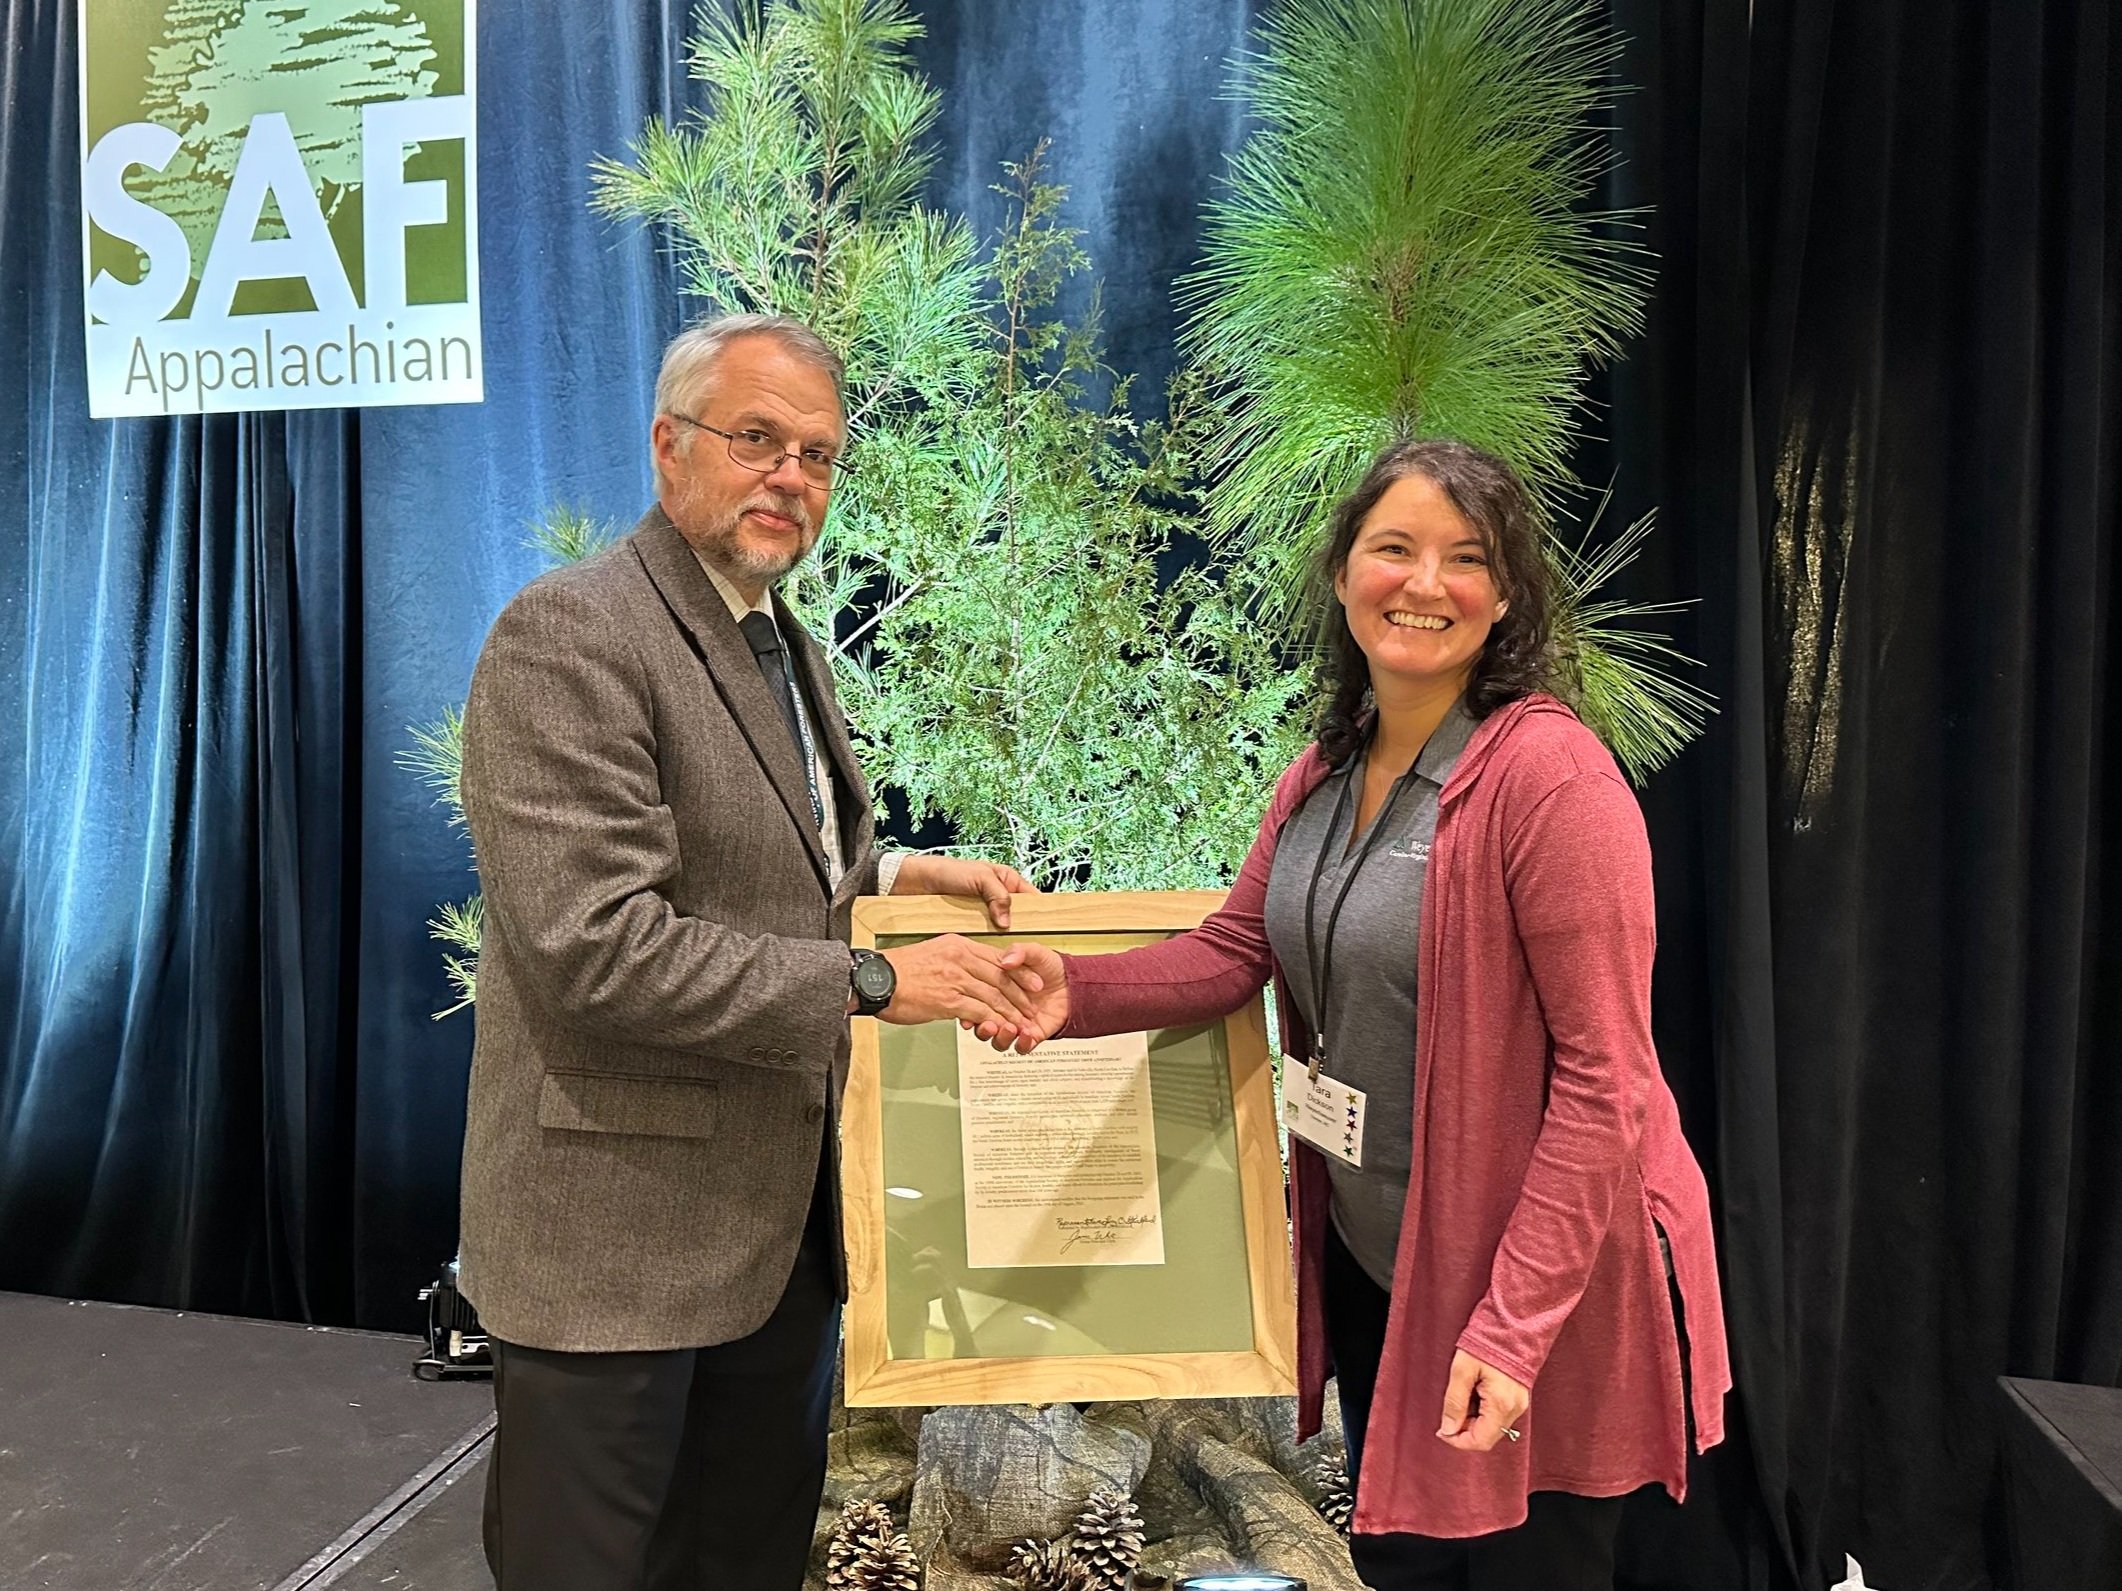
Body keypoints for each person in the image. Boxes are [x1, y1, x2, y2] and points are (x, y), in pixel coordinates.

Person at [997, 439, 1731, 1590]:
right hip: (1381, 1266)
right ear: (1342, 574)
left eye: (1465, 558)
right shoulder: (1323, 774)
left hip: (1532, 1289)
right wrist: (1069, 990)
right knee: (1401, 1562)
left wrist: (1511, 1326)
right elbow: (1235, 947)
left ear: (1505, 598)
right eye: (1393, 548)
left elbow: (1609, 1083)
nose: (1424, 584)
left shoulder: (1553, 782)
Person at [456, 313, 1048, 1591]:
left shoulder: (780, 642)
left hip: (773, 1249)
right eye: (758, 439)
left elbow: (759, 870)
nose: (793, 476)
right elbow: (596, 945)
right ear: (670, 449)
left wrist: (890, 880)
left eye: (819, 456)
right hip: (615, 1255)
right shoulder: (571, 636)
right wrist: (877, 980)